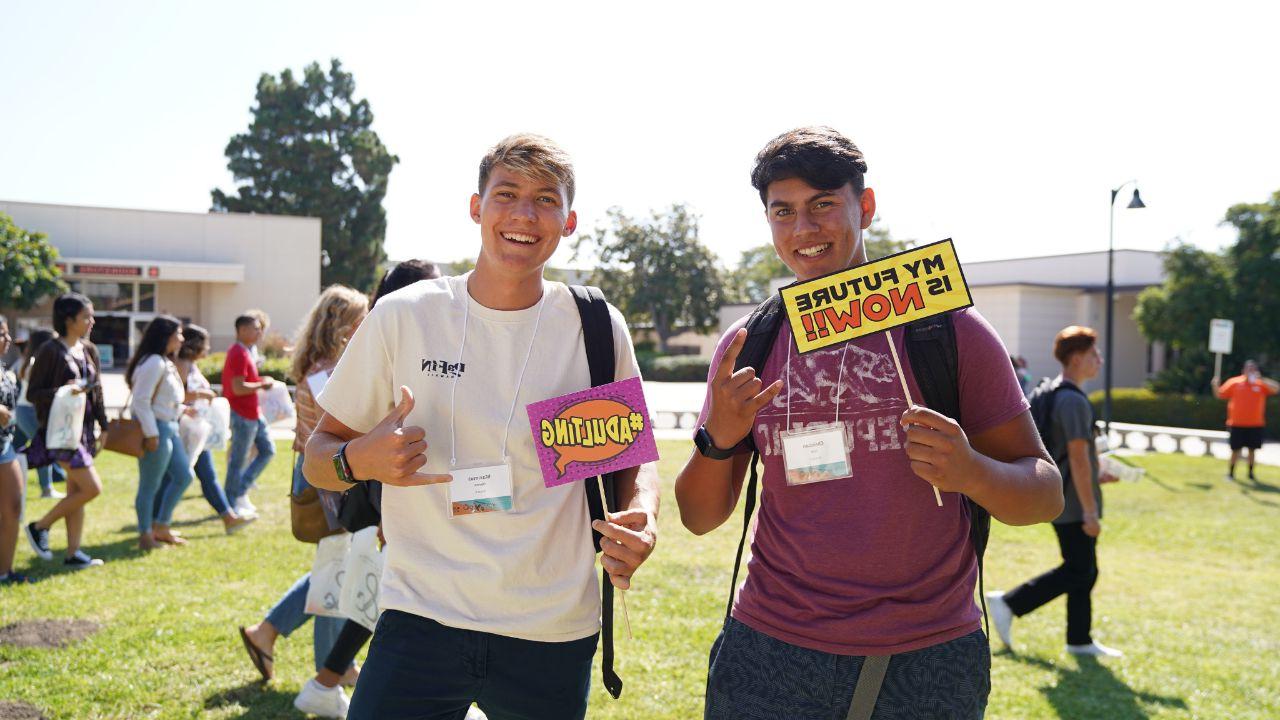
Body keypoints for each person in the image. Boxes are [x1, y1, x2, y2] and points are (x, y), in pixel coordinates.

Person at [674, 127, 1063, 719]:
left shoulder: (949, 330)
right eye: (784, 212)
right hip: (771, 649)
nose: (804, 229)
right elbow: (700, 518)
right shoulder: (750, 344)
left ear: (867, 206)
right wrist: (717, 439)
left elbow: (1045, 493)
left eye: (824, 204)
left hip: (929, 655)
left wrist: (971, 471)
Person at [303, 134, 660, 720]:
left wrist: (640, 517)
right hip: (421, 616)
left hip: (551, 625)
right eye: (507, 194)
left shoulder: (594, 323)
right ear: (477, 207)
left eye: (546, 199)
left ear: (568, 221)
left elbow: (632, 455)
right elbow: (318, 455)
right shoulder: (405, 315)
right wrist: (359, 461)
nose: (524, 214)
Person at [292, 260, 442, 718]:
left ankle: (328, 675)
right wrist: (378, 501)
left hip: (378, 489)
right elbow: (329, 443)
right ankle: (325, 674)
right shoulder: (372, 351)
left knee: (367, 582)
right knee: (355, 578)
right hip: (361, 486)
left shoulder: (396, 343)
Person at [238, 285, 369, 715]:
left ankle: (304, 650)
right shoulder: (329, 370)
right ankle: (283, 641)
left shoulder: (317, 364)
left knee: (335, 568)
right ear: (343, 324)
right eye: (361, 318)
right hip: (326, 481)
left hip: (316, 476)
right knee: (335, 571)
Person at [988, 326, 1123, 657]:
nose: (1099, 360)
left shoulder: (1052, 392)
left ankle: (1079, 640)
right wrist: (1090, 511)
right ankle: (1010, 603)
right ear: (1076, 358)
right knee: (1080, 569)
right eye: (1094, 354)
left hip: (1063, 496)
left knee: (1084, 570)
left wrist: (1098, 473)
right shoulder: (1073, 401)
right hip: (1074, 504)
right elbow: (1077, 458)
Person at [22, 292, 109, 570]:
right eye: (86, 317)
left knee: (76, 490)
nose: (91, 321)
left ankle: (73, 554)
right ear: (69, 320)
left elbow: (97, 391)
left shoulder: (88, 350)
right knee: (92, 488)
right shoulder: (50, 350)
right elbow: (34, 393)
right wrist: (64, 391)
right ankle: (40, 526)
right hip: (60, 433)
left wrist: (103, 425)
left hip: (82, 431)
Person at [170, 324, 252, 533]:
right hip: (185, 428)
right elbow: (177, 396)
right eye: (205, 344)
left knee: (205, 474)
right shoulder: (181, 364)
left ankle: (228, 517)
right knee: (187, 475)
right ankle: (158, 522)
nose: (208, 348)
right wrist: (203, 395)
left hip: (197, 429)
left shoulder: (192, 365)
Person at [125, 316, 198, 550]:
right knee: (149, 485)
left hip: (168, 427)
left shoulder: (163, 361)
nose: (182, 338)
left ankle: (161, 526)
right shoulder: (154, 362)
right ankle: (146, 535)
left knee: (184, 475)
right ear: (165, 336)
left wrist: (183, 410)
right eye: (178, 333)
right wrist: (151, 433)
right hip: (156, 429)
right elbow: (141, 401)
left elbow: (163, 398)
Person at [222, 313, 276, 517]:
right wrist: (262, 384)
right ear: (242, 330)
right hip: (242, 413)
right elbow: (237, 388)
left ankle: (240, 491)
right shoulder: (238, 352)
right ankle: (230, 502)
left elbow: (245, 381)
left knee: (267, 450)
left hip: (253, 412)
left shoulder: (245, 352)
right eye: (255, 328)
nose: (259, 332)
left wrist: (261, 380)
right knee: (238, 460)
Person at [12, 329, 67, 499]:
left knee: (17, 449)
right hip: (30, 411)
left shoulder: (26, 361)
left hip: (23, 411)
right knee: (42, 448)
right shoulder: (35, 363)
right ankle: (46, 489)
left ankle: (16, 479)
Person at [1, 316, 34, 585]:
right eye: (2, 334)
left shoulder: (6, 371)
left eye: (7, 333)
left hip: (4, 447)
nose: (8, 340)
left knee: (12, 509)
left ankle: (5, 572)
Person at [1212, 360, 1278, 481]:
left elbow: (1277, 388)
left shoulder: (1260, 384)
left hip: (1255, 424)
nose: (1251, 370)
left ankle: (1251, 473)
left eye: (1253, 368)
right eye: (1249, 368)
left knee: (1252, 450)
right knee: (1235, 450)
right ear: (1243, 370)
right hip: (1236, 423)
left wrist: (1262, 378)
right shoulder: (1234, 382)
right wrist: (1215, 385)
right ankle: (1231, 473)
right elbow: (1219, 395)